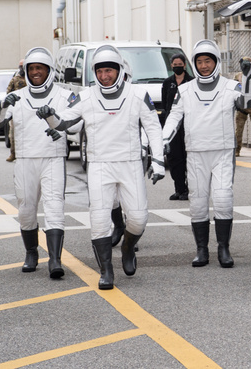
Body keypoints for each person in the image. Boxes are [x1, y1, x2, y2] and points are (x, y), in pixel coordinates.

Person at [37, 45, 165, 290]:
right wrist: (49, 115)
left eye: (110, 70)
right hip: (98, 165)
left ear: (119, 70)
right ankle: (106, 271)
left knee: (138, 218)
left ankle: (127, 248)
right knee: (99, 220)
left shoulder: (138, 95)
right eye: (100, 71)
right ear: (94, 72)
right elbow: (63, 122)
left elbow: (153, 128)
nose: (105, 76)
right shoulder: (85, 97)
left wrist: (158, 160)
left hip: (130, 164)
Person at [162, 39, 251, 268]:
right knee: (198, 203)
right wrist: (163, 140)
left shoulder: (230, 86)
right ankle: (201, 250)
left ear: (216, 62)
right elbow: (174, 116)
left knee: (223, 200)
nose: (204, 66)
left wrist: (248, 77)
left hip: (222, 151)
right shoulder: (185, 90)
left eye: (208, 61)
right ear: (194, 64)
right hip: (195, 152)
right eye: (200, 62)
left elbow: (247, 103)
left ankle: (223, 248)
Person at [0, 47, 77, 279]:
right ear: (26, 71)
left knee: (54, 207)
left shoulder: (63, 95)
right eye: (32, 68)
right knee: (26, 210)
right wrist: (3, 105)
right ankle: (31, 252)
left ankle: (55, 260)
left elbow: (77, 124)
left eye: (40, 68)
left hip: (53, 158)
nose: (36, 72)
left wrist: (57, 123)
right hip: (26, 160)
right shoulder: (18, 96)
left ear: (49, 70)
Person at [159, 54, 192, 200]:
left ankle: (189, 189)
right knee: (174, 158)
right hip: (172, 127)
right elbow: (165, 104)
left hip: (188, 125)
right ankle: (179, 188)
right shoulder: (167, 83)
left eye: (180, 64)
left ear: (184, 65)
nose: (177, 66)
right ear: (171, 66)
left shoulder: (192, 82)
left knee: (188, 158)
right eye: (174, 64)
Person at [5, 58, 27, 162]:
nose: (22, 68)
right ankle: (13, 153)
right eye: (20, 66)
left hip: (29, 110)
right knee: (13, 133)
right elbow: (8, 93)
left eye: (23, 66)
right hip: (17, 110)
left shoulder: (31, 79)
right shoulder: (15, 79)